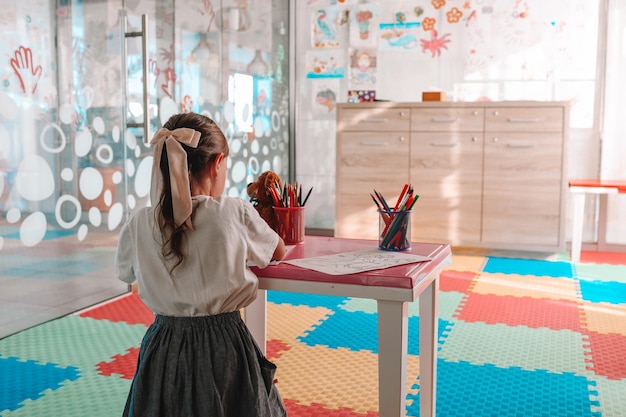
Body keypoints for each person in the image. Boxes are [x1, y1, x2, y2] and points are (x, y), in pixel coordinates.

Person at [115, 112, 287, 417]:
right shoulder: (234, 212)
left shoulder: (140, 221)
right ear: (217, 163)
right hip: (225, 346)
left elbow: (125, 272)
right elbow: (278, 251)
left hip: (163, 347)